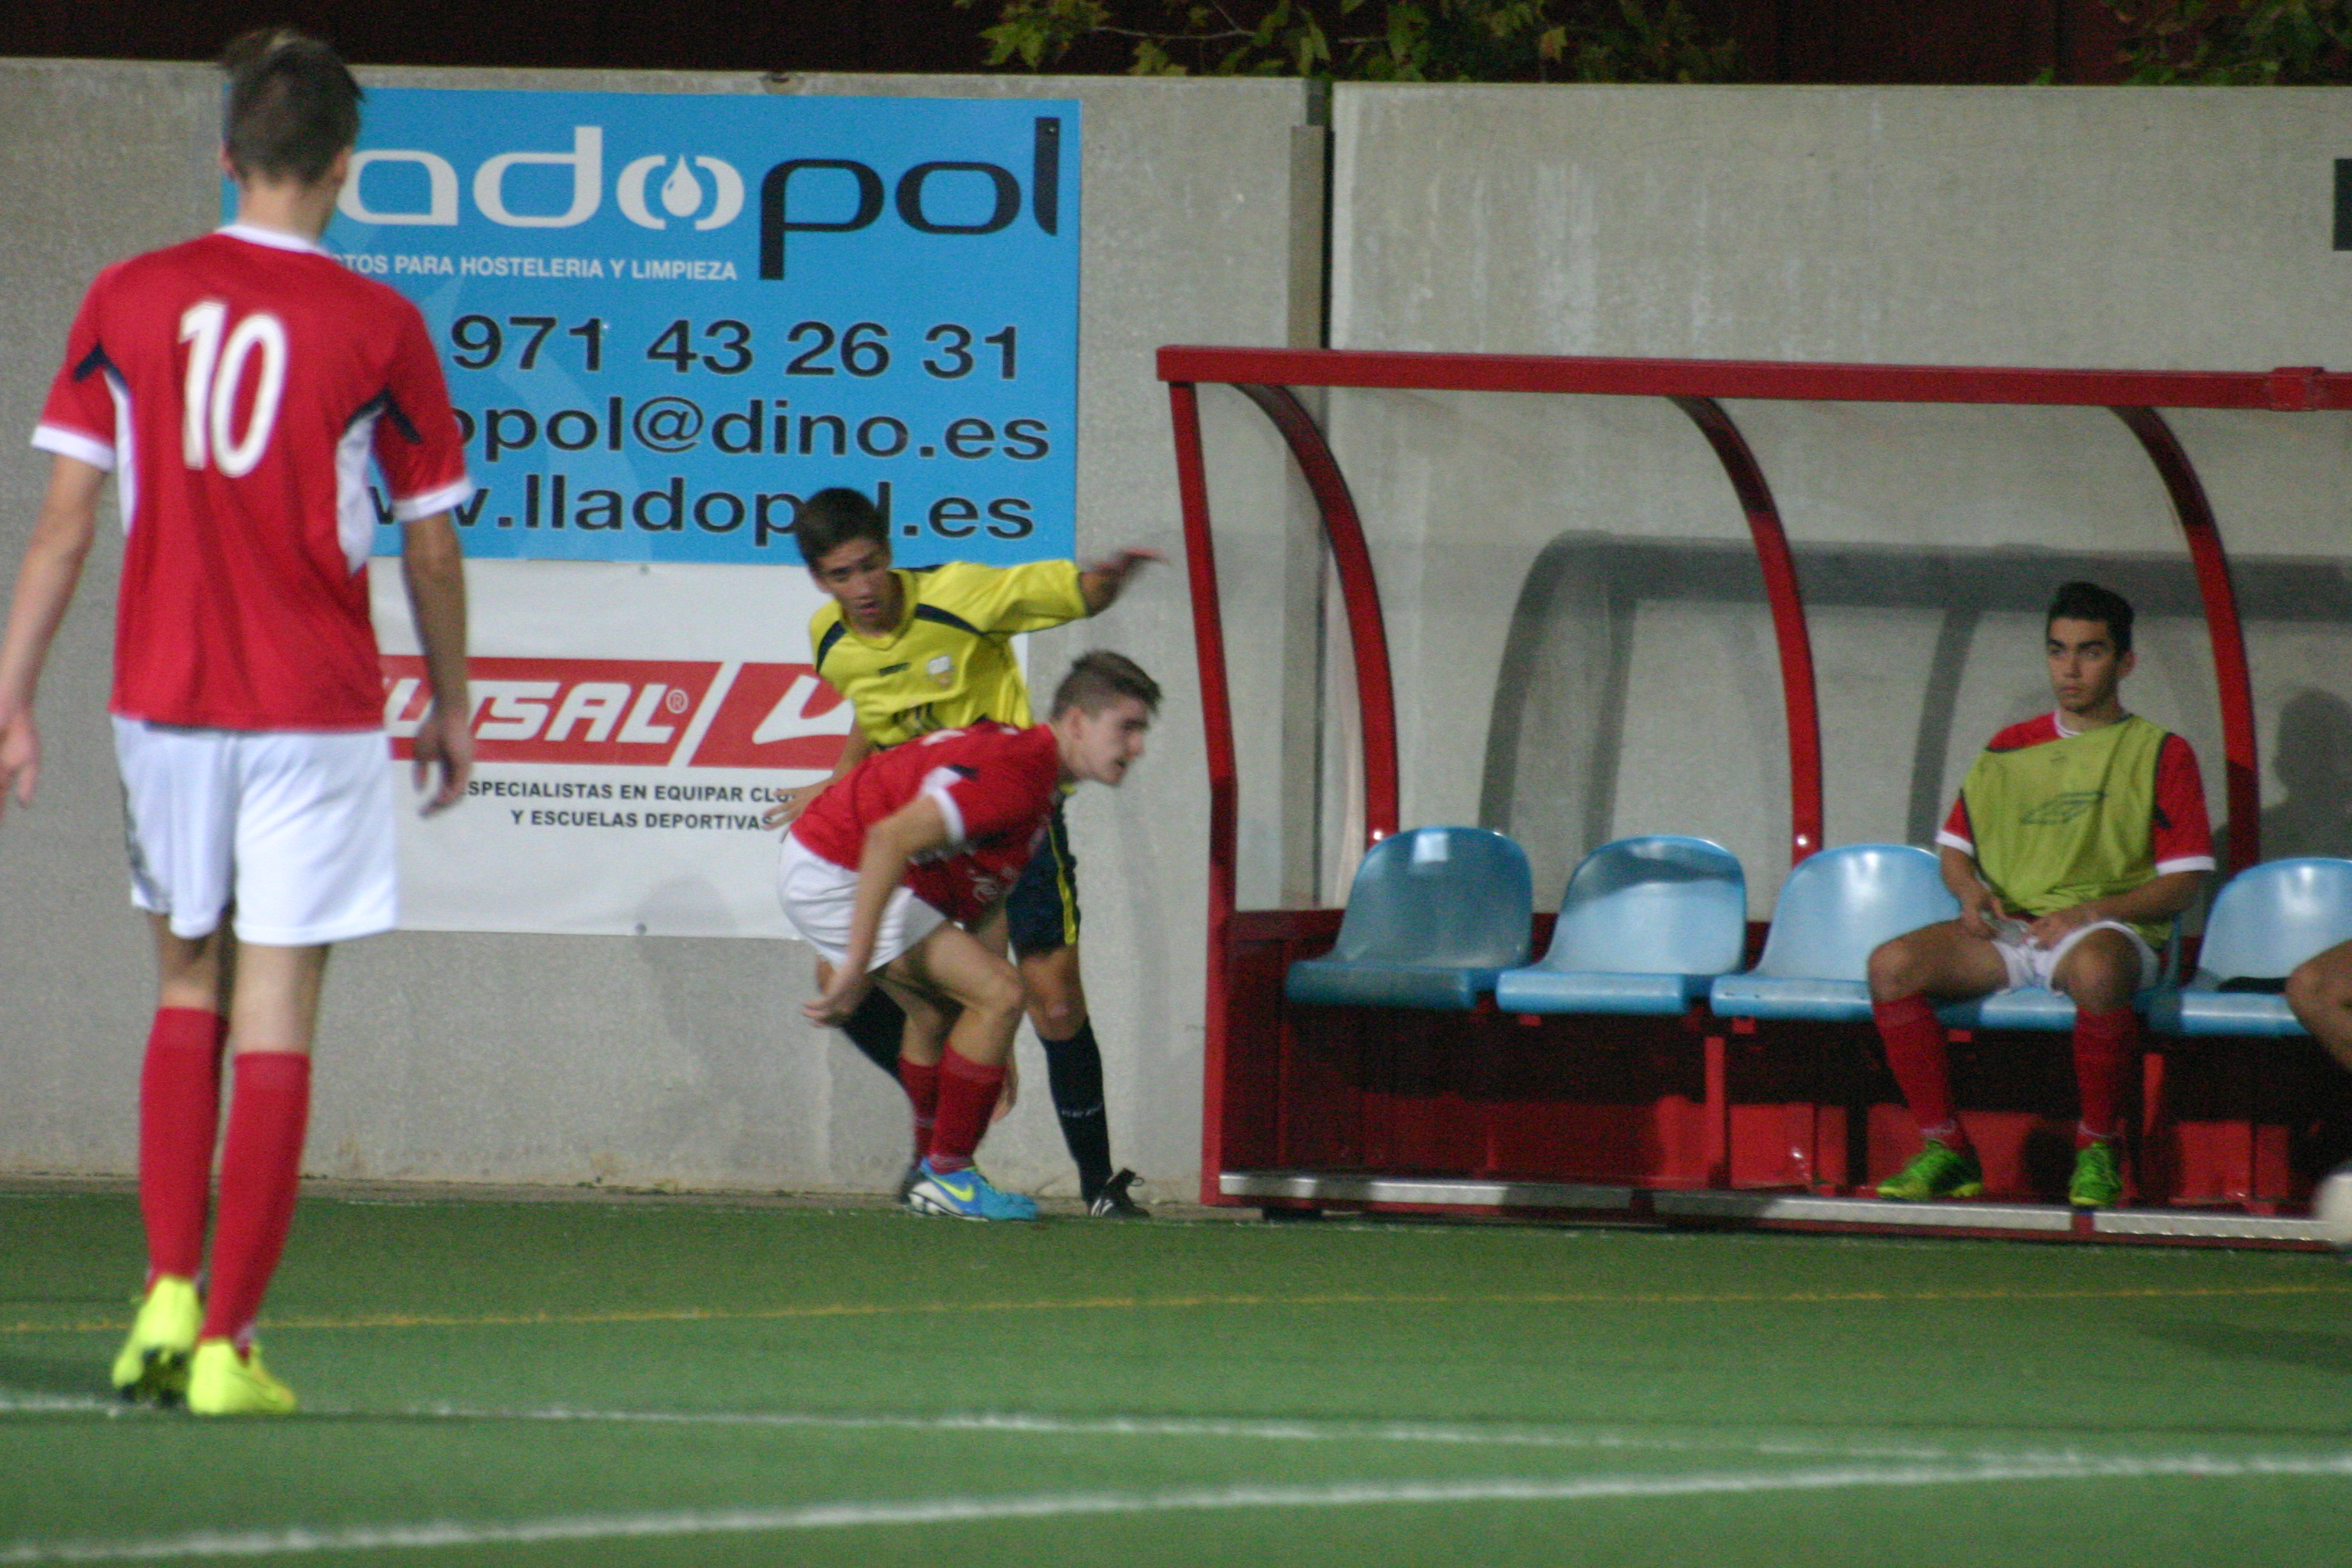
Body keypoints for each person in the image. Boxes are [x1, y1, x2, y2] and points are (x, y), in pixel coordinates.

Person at [0, 31, 473, 1415]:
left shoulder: (129, 293)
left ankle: (163, 1286)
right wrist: (450, 698)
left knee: (185, 987)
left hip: (163, 700)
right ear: (345, 167)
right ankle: (230, 1342)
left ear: (225, 154)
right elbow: (430, 543)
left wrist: (12, 693)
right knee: (278, 1007)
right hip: (311, 705)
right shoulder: (379, 323)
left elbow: (65, 525)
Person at [766, 487, 1160, 1216]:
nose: (862, 587)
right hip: (921, 831)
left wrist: (1106, 581)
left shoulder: (960, 597)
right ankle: (940, 1164)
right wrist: (838, 781)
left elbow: (1072, 594)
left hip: (991, 817)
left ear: (891, 553)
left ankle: (1093, 1182)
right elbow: (876, 713)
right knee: (948, 1000)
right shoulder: (830, 638)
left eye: (870, 565)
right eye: (842, 575)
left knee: (1047, 1000)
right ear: (818, 580)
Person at [1866, 582, 2213, 1208]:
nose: (2070, 669)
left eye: (2090, 652)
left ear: (2125, 662)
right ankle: (1946, 1149)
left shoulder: (2161, 752)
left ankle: (2098, 1147)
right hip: (2013, 930)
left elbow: (2184, 881)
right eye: (2058, 651)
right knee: (1891, 966)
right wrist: (1969, 893)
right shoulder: (2007, 747)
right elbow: (1955, 850)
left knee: (2099, 969)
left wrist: (2089, 913)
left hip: (2106, 929)